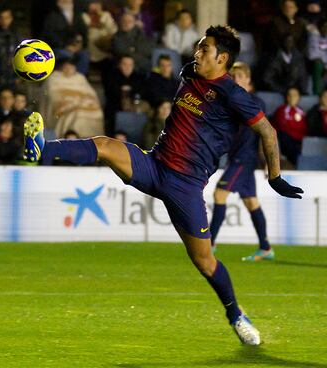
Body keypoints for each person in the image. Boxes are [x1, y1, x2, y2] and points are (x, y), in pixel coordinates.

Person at [23, 25, 304, 346]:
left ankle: (236, 315)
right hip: (154, 165)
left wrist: (274, 176)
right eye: (198, 47)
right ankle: (43, 149)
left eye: (205, 49)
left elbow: (268, 133)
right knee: (104, 145)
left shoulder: (235, 96)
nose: (197, 53)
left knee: (204, 261)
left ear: (223, 58)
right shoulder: (190, 74)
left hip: (186, 186)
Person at [210, 62, 273, 262]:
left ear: (248, 80)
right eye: (233, 76)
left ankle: (209, 243)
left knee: (219, 194)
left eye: (239, 76)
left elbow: (266, 133)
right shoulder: (230, 101)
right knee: (251, 202)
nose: (235, 80)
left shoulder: (255, 102)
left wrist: (268, 161)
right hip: (235, 157)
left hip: (244, 159)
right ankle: (265, 247)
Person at [0, 7, 24, 87]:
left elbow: (23, 54)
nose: (4, 21)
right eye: (1, 18)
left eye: (7, 17)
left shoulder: (17, 35)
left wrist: (19, 76)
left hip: (13, 76)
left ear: (11, 18)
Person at [272, 87, 308, 166]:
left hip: (298, 142)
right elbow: (282, 127)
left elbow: (304, 129)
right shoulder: (281, 110)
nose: (292, 98)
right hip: (285, 142)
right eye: (289, 95)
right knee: (285, 136)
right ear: (286, 97)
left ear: (299, 98)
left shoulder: (301, 112)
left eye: (294, 95)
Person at [307, 17, 327, 95]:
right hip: (313, 65)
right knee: (318, 63)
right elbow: (312, 55)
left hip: (325, 65)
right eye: (324, 26)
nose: (326, 29)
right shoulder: (313, 36)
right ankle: (317, 94)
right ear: (319, 27)